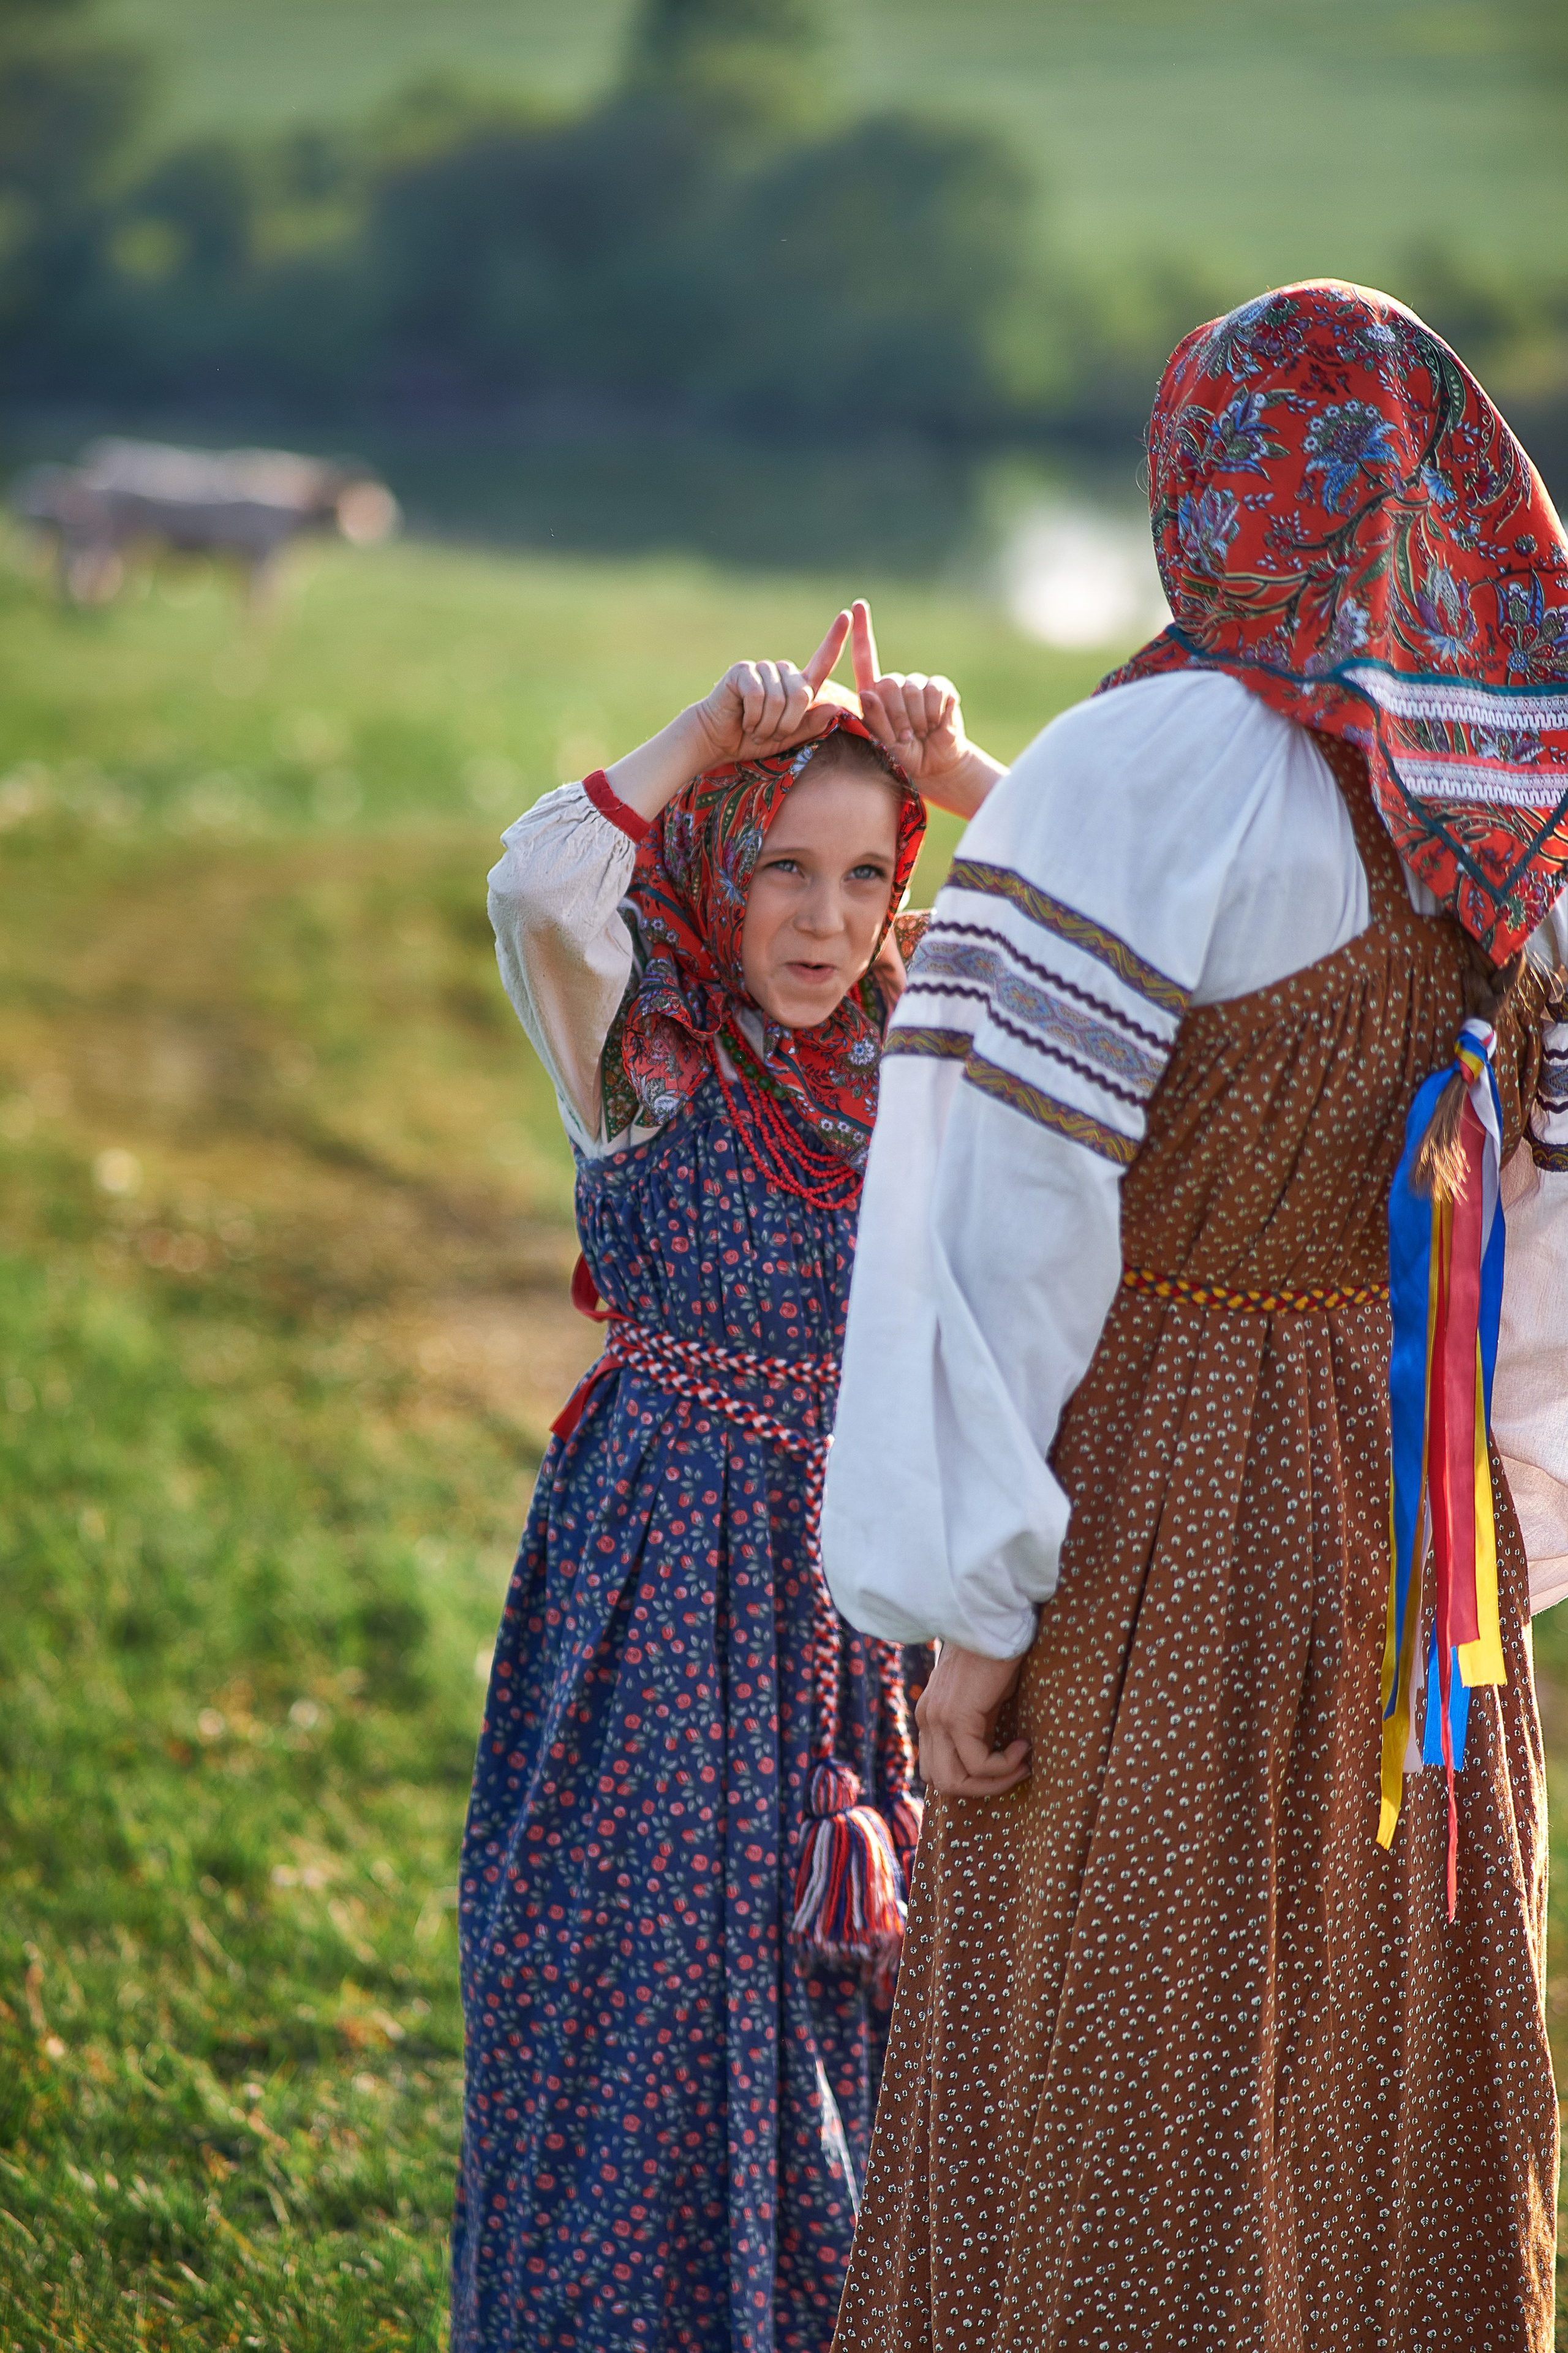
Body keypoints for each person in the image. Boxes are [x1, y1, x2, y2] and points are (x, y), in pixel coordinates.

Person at [821, 282, 1568, 2351]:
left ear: (1210, 485)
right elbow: (1547, 1220)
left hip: (1164, 1477)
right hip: (1425, 1529)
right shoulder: (1513, 800)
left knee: (1112, 2017)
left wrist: (971, 1610)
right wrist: (1510, 1507)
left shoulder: (1134, 764)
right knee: (1375, 2026)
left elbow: (999, 1212)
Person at [450, 606, 1003, 2353]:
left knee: (846, 1967)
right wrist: (700, 729)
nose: (827, 922)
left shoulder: (927, 1049)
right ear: (711, 868)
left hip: (862, 1573)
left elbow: (1121, 941)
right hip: (666, 1563)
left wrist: (967, 774)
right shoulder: (642, 1050)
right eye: (780, 871)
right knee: (654, 1968)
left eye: (864, 873)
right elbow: (540, 886)